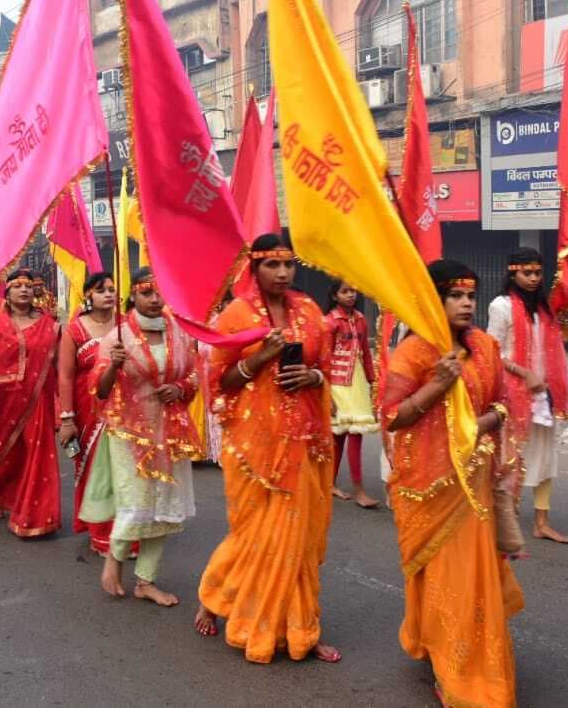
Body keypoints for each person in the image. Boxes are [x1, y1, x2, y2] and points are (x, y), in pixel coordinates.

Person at [380, 260, 521, 707]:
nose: (466, 303)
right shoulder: (417, 353)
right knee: (445, 578)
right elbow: (393, 416)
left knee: (473, 581)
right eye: (455, 295)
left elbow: (502, 403)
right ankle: (450, 665)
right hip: (429, 486)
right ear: (434, 301)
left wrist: (482, 422)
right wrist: (437, 385)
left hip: (473, 487)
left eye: (470, 295)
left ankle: (467, 663)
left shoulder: (484, 346)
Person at [195, 234, 340, 664]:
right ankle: (215, 598)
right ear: (253, 269)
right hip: (257, 446)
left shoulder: (310, 311)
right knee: (257, 535)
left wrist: (313, 379)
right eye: (272, 265)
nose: (282, 273)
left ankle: (301, 630)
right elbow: (220, 382)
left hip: (305, 439)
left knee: (300, 539)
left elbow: (325, 368)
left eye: (288, 265)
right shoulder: (236, 317)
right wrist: (260, 358)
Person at [80, 269, 197, 605]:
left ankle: (146, 581)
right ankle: (113, 563)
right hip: (128, 432)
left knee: (164, 507)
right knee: (136, 503)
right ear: (133, 296)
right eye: (147, 293)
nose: (156, 299)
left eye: (160, 293)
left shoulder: (177, 331)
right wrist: (114, 366)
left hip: (170, 429)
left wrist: (179, 388)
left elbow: (193, 375)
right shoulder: (118, 337)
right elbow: (99, 391)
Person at [485, 248, 568, 545]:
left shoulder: (543, 308)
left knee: (547, 456)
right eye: (527, 273)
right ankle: (505, 519)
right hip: (513, 392)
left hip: (543, 392)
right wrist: (525, 374)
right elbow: (492, 352)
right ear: (513, 273)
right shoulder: (500, 306)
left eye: (538, 272)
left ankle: (541, 523)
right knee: (510, 457)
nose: (534, 278)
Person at [0, 269, 61, 537]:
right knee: (5, 454)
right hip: (1, 402)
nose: (23, 290)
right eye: (17, 286)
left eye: (28, 286)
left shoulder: (50, 326)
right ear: (6, 293)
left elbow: (57, 366)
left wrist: (63, 407)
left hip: (37, 400)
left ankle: (35, 517)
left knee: (38, 456)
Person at [56, 271, 119, 555]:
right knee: (97, 470)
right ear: (88, 296)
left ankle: (127, 530)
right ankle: (101, 532)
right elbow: (66, 376)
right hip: (87, 411)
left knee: (124, 469)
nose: (109, 294)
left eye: (112, 289)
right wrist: (66, 418)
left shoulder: (126, 326)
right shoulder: (75, 330)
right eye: (101, 290)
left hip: (124, 410)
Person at [323, 279, 379, 508]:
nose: (351, 295)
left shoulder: (361, 320)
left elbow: (366, 353)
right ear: (335, 295)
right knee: (339, 436)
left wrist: (373, 383)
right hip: (336, 384)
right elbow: (323, 359)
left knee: (354, 434)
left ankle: (349, 487)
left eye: (353, 290)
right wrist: (326, 393)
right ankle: (349, 488)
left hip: (355, 382)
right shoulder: (329, 322)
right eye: (345, 291)